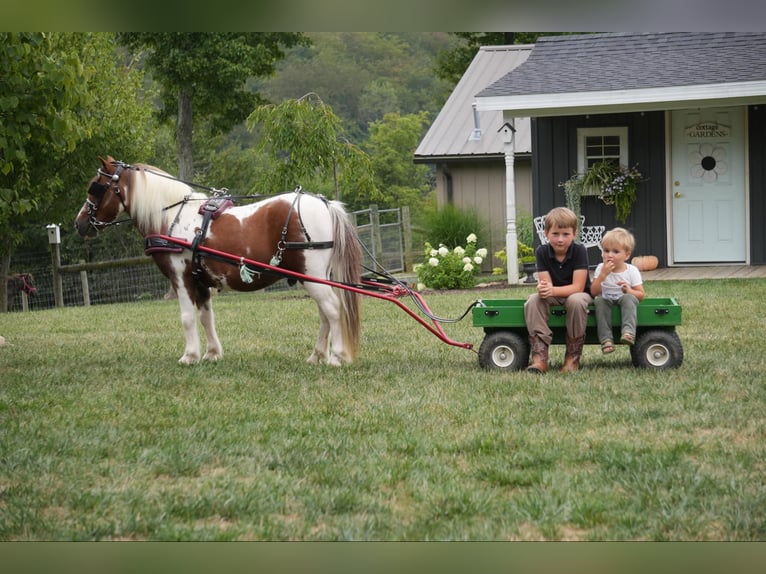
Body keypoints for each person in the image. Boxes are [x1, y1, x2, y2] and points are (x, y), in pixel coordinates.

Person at [525, 207, 592, 373]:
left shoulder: (579, 251)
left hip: (580, 294)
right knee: (534, 300)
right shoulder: (542, 251)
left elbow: (578, 287)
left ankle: (572, 358)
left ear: (574, 234)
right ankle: (540, 358)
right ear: (546, 233)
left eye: (565, 234)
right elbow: (546, 286)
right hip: (555, 294)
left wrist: (551, 291)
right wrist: (543, 289)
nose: (560, 239)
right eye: (555, 234)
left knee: (575, 300)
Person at [590, 227, 645, 353]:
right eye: (606, 250)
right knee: (599, 301)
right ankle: (606, 340)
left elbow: (641, 295)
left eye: (615, 251)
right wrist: (603, 275)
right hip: (607, 300)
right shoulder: (600, 268)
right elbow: (593, 292)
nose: (609, 255)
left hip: (624, 299)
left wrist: (629, 290)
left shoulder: (631, 271)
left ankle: (628, 333)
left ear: (626, 255)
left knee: (628, 298)